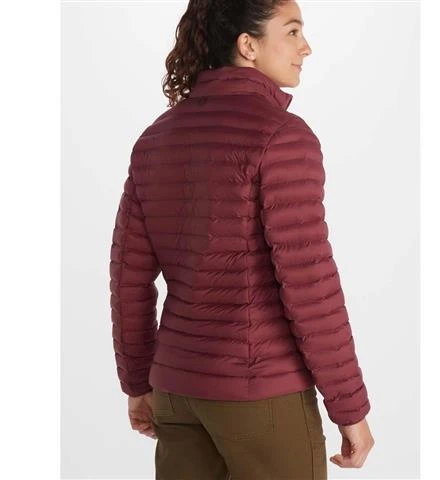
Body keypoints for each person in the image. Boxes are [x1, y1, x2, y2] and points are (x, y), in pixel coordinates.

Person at [109, 0, 374, 478]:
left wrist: (137, 382)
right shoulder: (282, 136)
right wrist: (350, 407)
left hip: (176, 394)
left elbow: (128, 278)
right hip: (261, 395)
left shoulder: (155, 139)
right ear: (248, 45)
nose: (306, 48)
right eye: (292, 32)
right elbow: (310, 285)